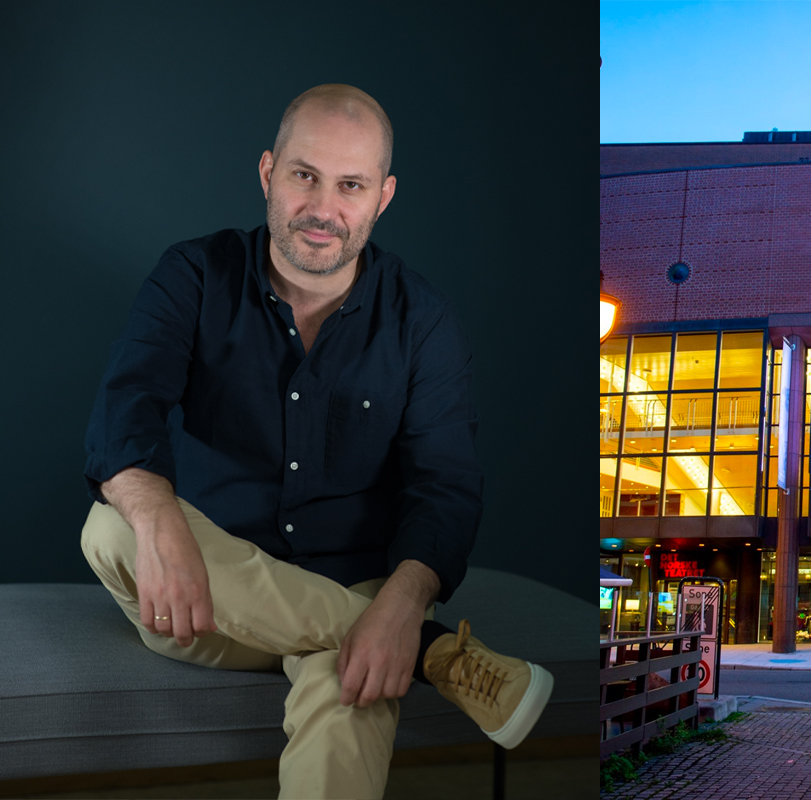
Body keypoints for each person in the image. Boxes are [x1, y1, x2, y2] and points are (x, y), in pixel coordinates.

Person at [80, 84, 552, 800]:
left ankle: (387, 634)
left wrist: (401, 602)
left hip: (359, 584)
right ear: (268, 172)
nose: (323, 208)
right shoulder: (194, 275)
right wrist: (158, 520)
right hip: (202, 600)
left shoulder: (422, 320)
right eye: (305, 175)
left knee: (349, 683)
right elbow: (123, 411)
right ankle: (432, 654)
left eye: (351, 185)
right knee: (111, 523)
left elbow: (446, 486)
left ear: (382, 197)